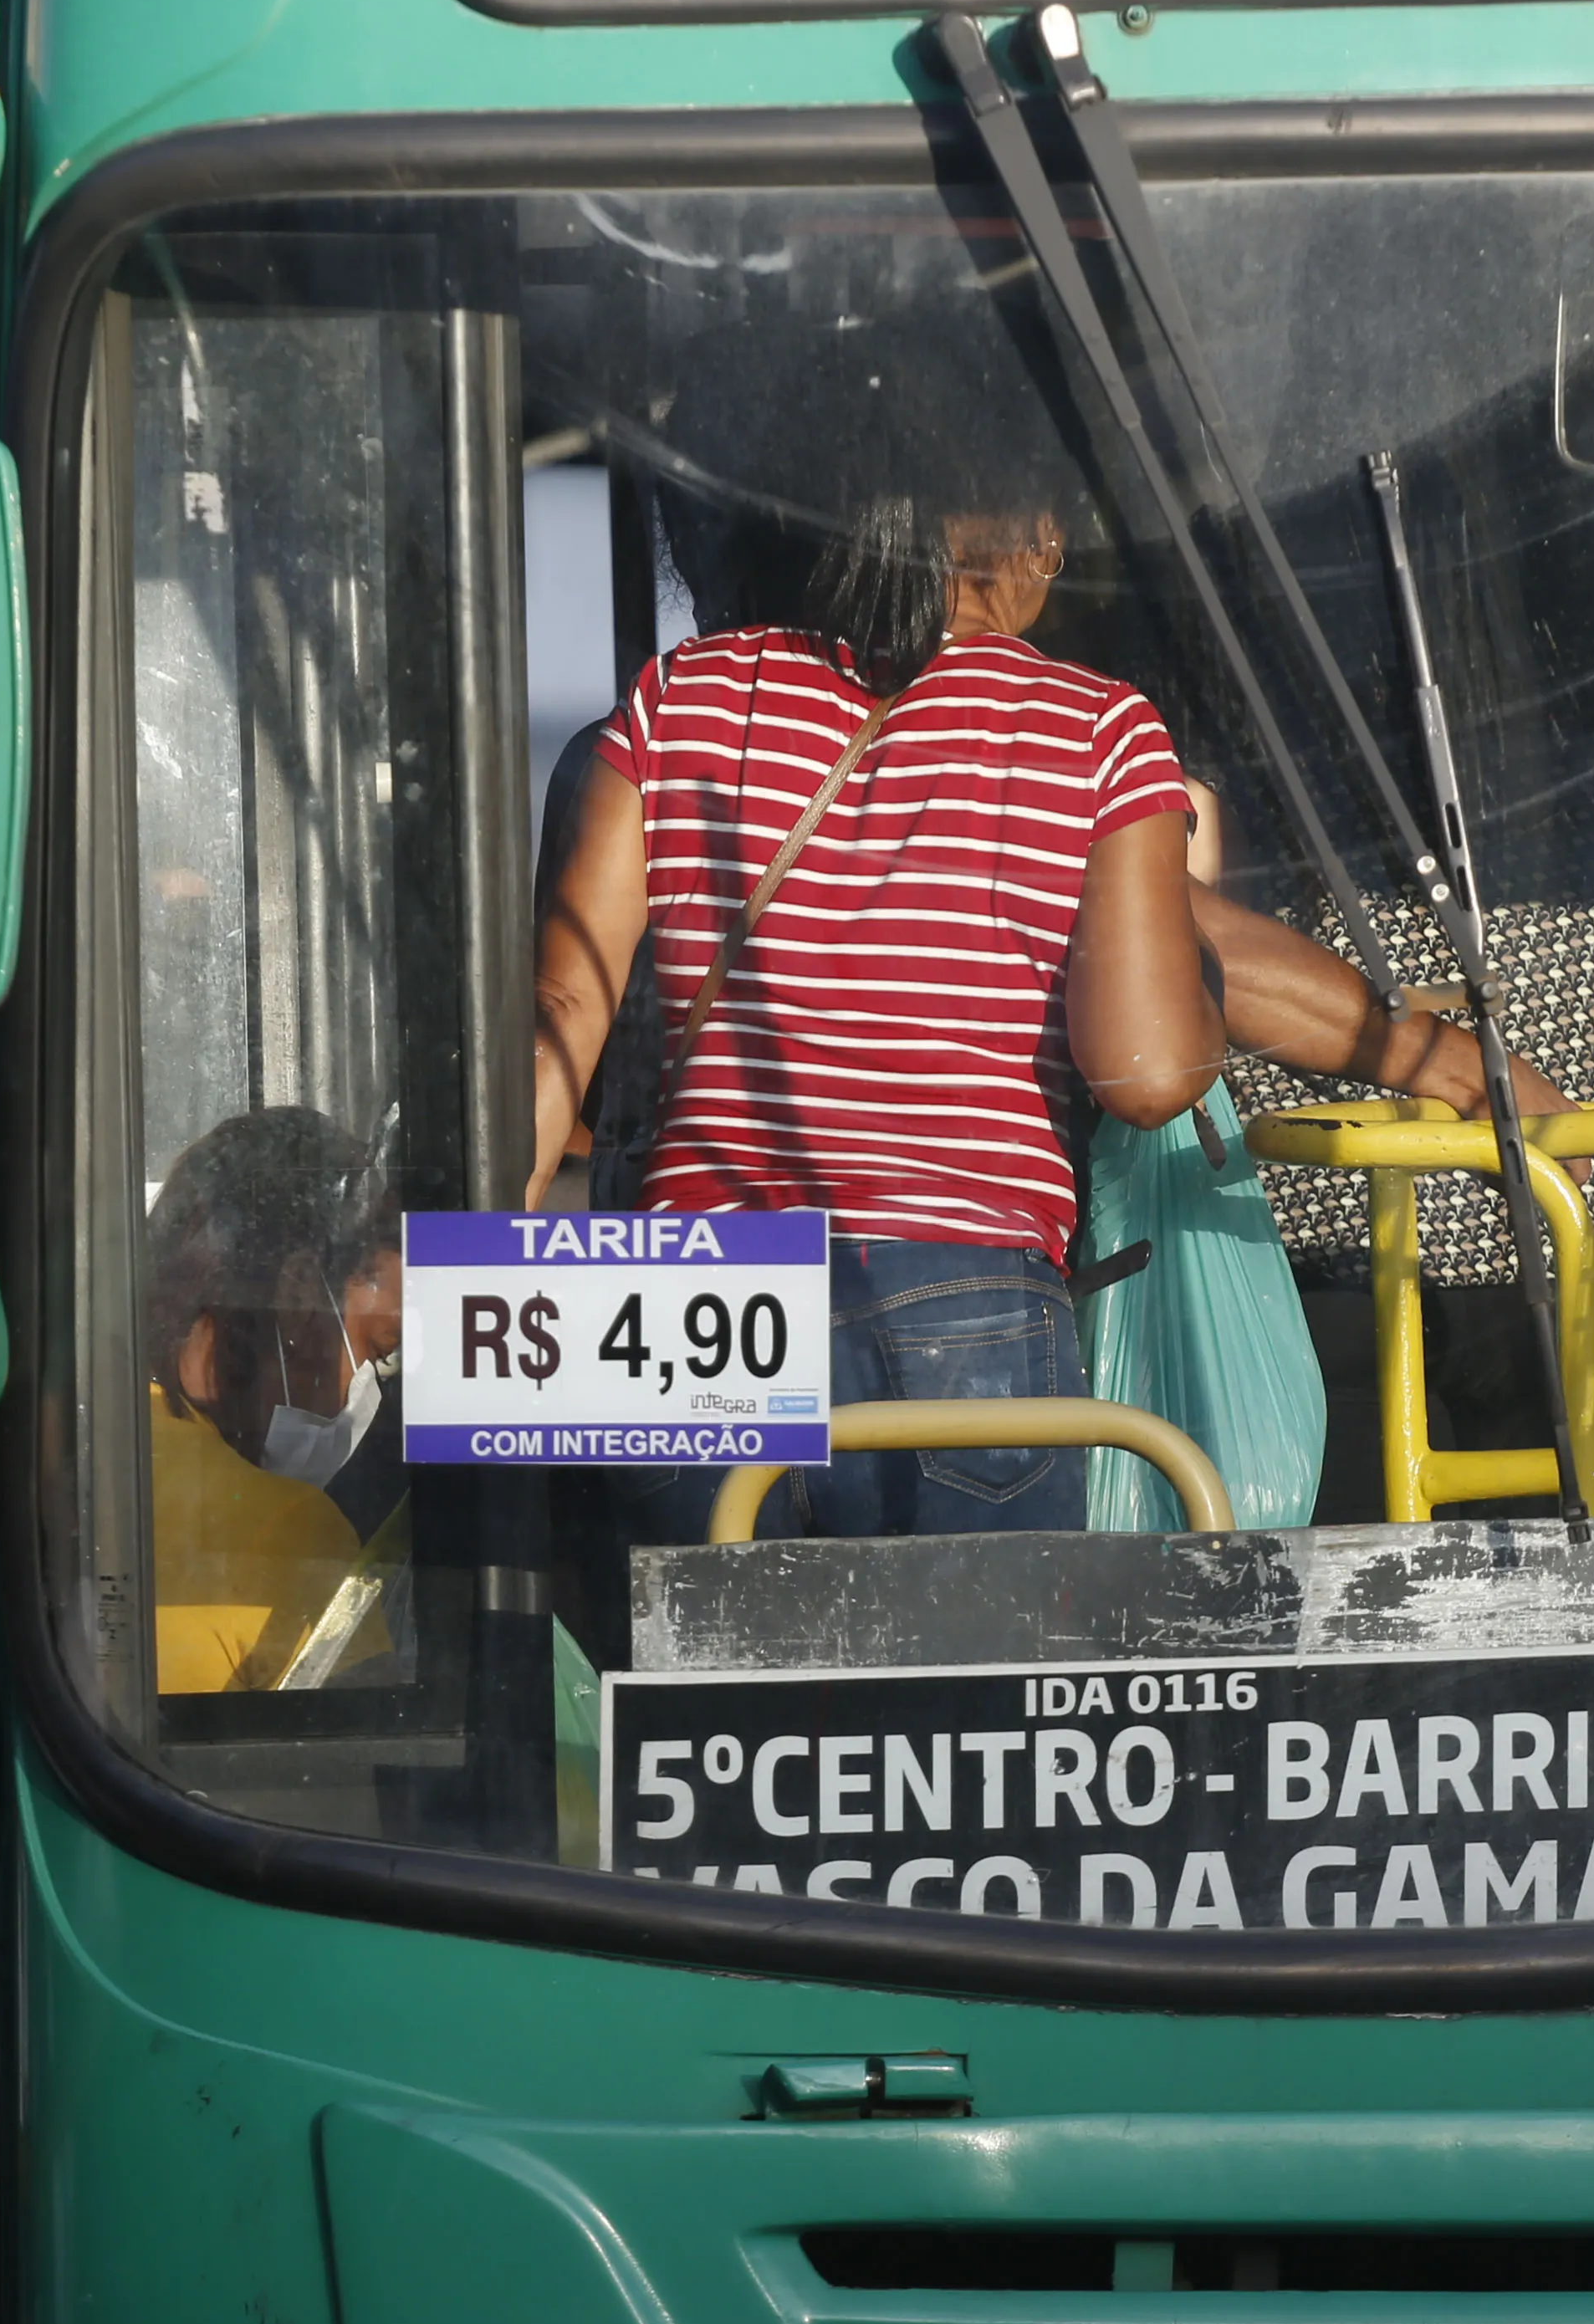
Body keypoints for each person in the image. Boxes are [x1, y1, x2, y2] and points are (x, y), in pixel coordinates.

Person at [519, 425, 1223, 1539]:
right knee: (952, 1712)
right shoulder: (1101, 731)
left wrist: (489, 1281)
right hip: (963, 1303)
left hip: (685, 1314)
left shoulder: (683, 695)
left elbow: (563, 1011)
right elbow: (1145, 1072)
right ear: (1025, 539)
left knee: (699, 1713)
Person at [141, 1105, 407, 1689]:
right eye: (375, 1352)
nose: (366, 1391)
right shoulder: (290, 1531)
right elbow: (356, 1770)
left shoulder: (78, 1438)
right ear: (298, 1289)